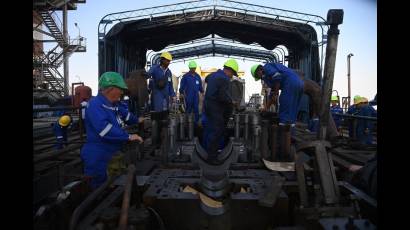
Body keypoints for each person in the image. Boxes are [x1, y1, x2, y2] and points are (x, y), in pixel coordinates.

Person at [80, 72, 143, 189]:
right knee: (98, 190)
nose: (122, 92)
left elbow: (127, 116)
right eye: (120, 89)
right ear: (110, 89)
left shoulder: (114, 104)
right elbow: (105, 129)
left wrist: (138, 120)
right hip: (98, 154)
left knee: (113, 184)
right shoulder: (95, 105)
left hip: (113, 150)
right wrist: (128, 136)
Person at [250, 62, 338, 138]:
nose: (261, 78)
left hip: (291, 83)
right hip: (297, 85)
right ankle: (290, 136)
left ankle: (284, 140)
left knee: (285, 111)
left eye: (259, 76)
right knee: (291, 112)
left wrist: (276, 93)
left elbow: (277, 77)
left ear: (259, 70)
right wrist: (266, 107)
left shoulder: (267, 67)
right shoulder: (270, 74)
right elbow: (273, 92)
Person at [203, 59, 238, 164]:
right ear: (229, 70)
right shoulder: (224, 79)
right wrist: (232, 102)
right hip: (215, 107)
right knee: (218, 130)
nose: (232, 76)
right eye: (232, 74)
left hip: (208, 106)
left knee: (210, 130)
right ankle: (212, 157)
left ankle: (209, 152)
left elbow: (207, 79)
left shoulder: (214, 75)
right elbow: (223, 96)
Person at [146, 52, 176, 148]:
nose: (168, 62)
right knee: (157, 121)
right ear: (162, 60)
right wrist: (145, 75)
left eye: (169, 61)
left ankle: (164, 140)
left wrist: (173, 95)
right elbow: (148, 75)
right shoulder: (155, 68)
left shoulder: (169, 72)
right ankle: (156, 142)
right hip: (157, 97)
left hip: (165, 99)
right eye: (167, 60)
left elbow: (170, 85)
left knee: (165, 119)